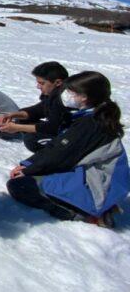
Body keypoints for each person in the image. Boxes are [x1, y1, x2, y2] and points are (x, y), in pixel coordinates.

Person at [7, 71, 128, 228]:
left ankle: (86, 215)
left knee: (19, 185)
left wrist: (28, 167)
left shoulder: (90, 124)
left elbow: (61, 153)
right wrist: (31, 164)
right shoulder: (94, 115)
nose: (65, 95)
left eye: (70, 91)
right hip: (102, 181)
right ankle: (94, 205)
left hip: (96, 187)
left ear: (84, 97)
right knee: (39, 166)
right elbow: (60, 147)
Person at [0, 62, 72, 152]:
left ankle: (52, 158)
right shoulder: (54, 95)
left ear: (58, 82)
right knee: (22, 120)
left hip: (70, 138)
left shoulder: (65, 100)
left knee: (31, 139)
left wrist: (17, 127)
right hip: (59, 130)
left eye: (42, 83)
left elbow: (53, 127)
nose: (38, 86)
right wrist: (13, 115)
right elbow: (38, 110)